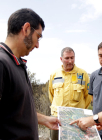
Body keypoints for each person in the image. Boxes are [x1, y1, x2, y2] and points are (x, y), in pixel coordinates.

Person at [0, 8, 61, 140]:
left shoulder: (17, 63)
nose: (38, 45)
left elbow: (15, 110)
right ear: (26, 29)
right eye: (38, 37)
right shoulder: (2, 63)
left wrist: (44, 119)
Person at [49, 47, 92, 140]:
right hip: (57, 117)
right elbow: (51, 95)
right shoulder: (54, 74)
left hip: (76, 118)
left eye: (72, 58)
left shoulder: (83, 74)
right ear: (61, 59)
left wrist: (80, 112)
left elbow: (88, 97)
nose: (70, 61)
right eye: (67, 58)